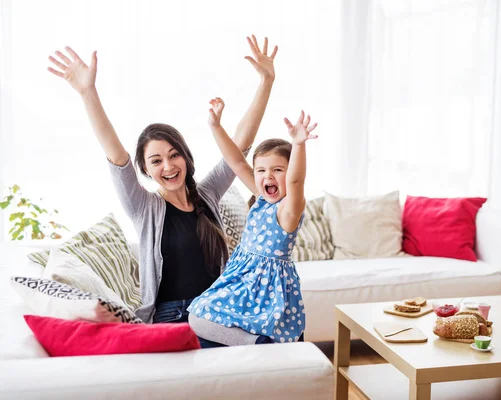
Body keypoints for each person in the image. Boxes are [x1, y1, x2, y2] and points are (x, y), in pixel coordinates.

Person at [47, 36, 278, 347]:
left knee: (274, 335)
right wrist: (88, 92)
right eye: (156, 161)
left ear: (185, 156)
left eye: (174, 154)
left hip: (216, 310)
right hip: (174, 317)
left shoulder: (206, 195)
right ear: (145, 170)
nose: (168, 166)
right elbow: (116, 156)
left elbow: (239, 146)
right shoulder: (144, 207)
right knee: (257, 347)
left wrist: (266, 81)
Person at [186, 97, 318, 345]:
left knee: (198, 319)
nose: (268, 175)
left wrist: (298, 145)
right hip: (242, 279)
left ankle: (258, 345)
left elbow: (296, 182)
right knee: (197, 317)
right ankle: (255, 344)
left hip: (265, 289)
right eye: (261, 170)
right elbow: (236, 162)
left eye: (278, 170)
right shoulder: (261, 198)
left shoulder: (287, 210)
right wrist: (215, 126)